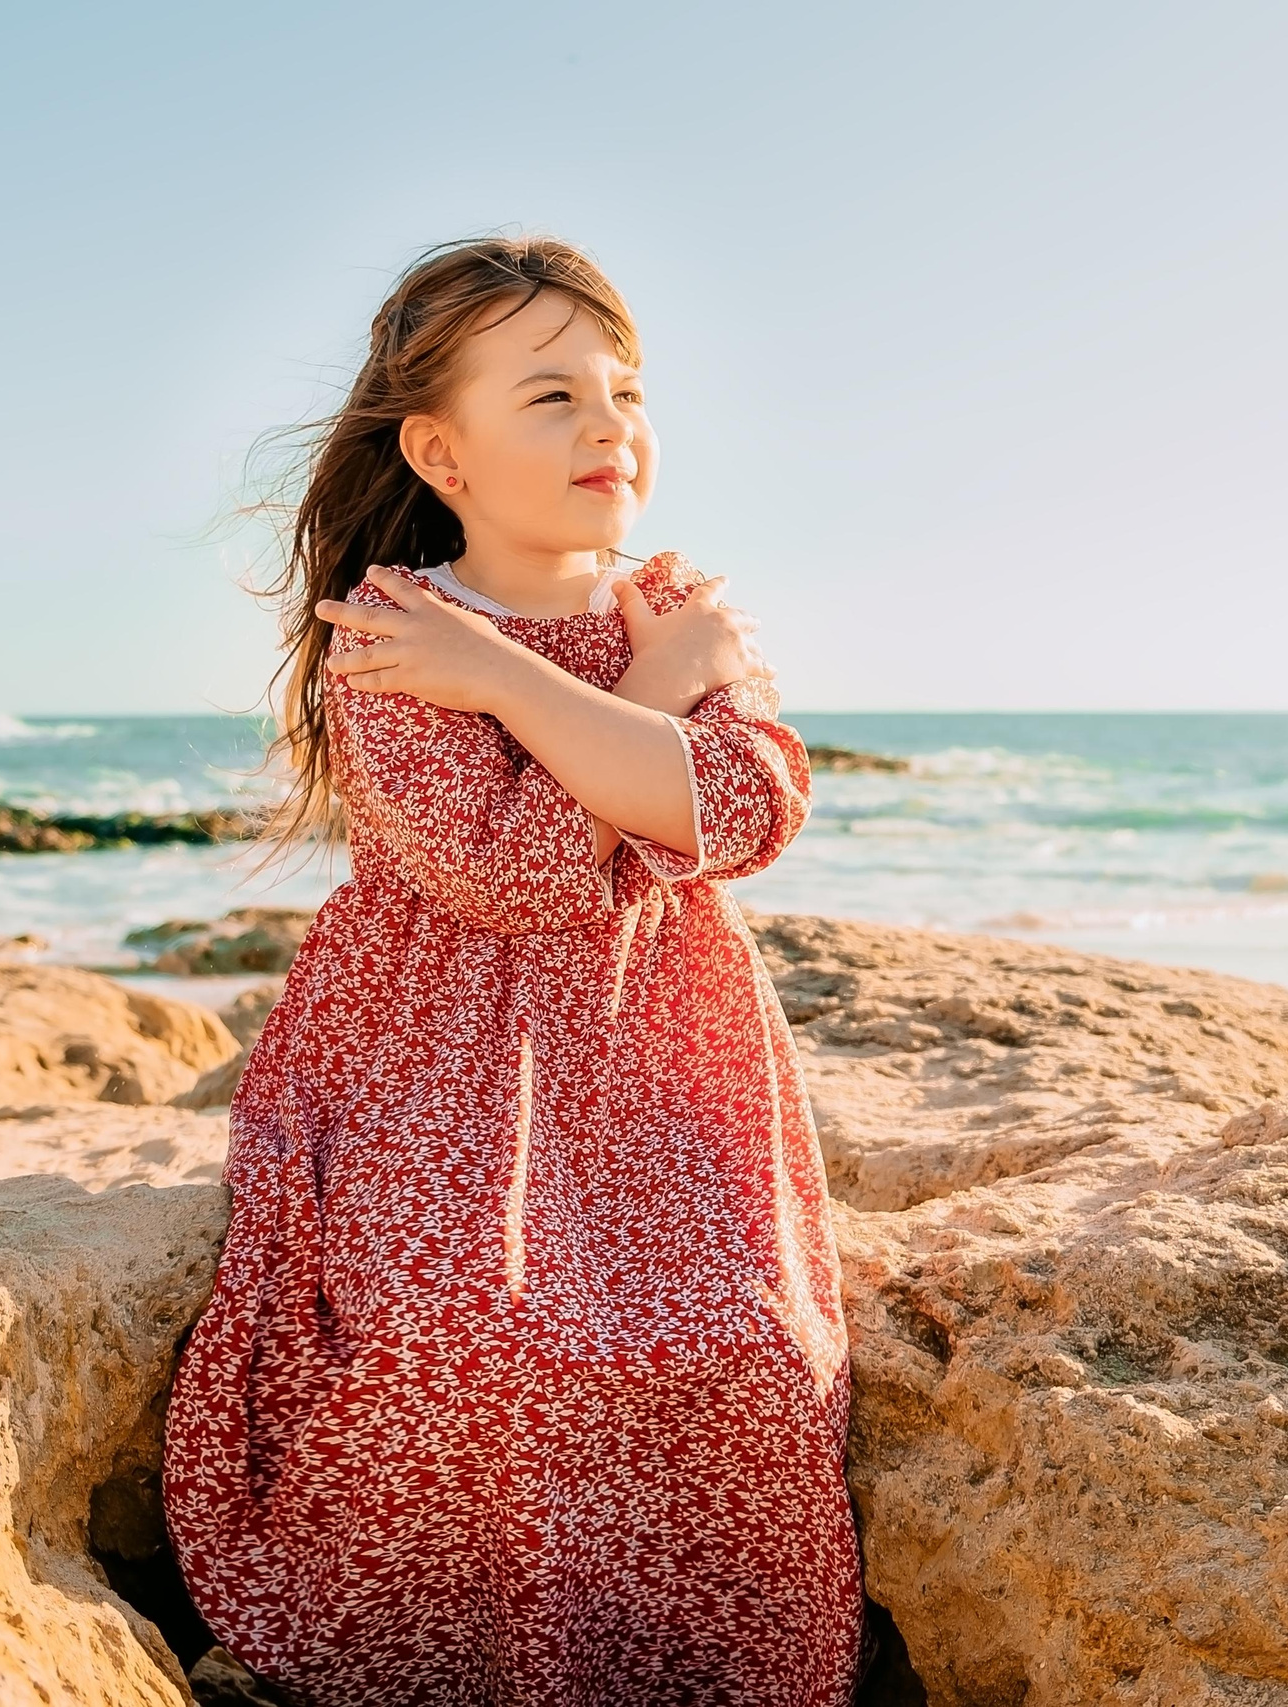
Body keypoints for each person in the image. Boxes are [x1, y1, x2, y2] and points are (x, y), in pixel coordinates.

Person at [161, 234, 866, 1705]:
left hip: (657, 1064)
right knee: (465, 1328)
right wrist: (623, 705)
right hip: (443, 1074)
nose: (609, 423)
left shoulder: (681, 613)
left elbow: (745, 807)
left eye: (626, 388)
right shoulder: (401, 633)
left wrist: (551, 689)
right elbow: (513, 875)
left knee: (745, 1343)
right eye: (551, 396)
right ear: (443, 449)